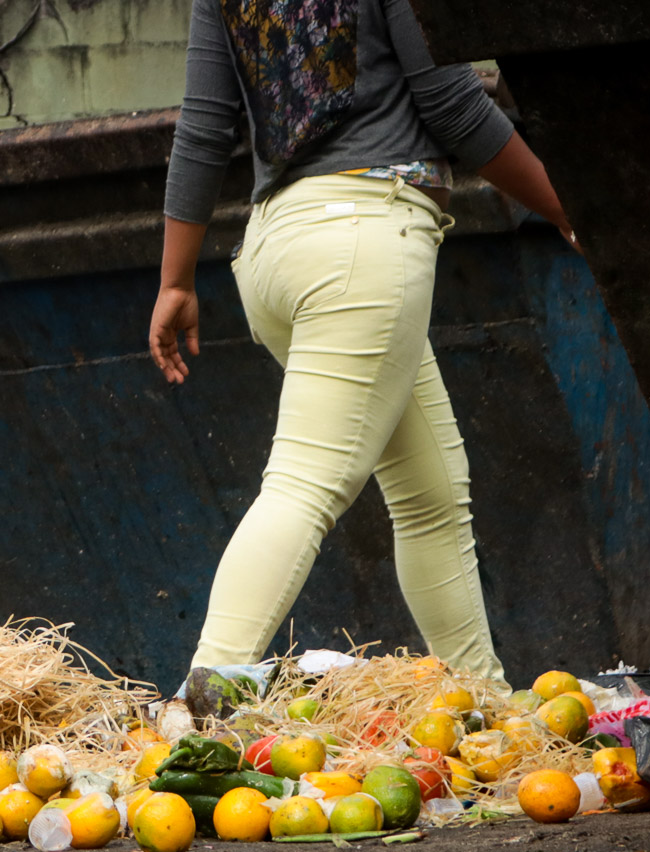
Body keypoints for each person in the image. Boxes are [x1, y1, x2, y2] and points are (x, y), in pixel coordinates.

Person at [149, 0, 576, 682]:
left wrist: (175, 280)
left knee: (430, 493)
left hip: (273, 250)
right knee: (303, 485)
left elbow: (203, 127)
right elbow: (451, 105)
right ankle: (196, 705)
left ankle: (485, 708)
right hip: (360, 242)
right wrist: (565, 207)